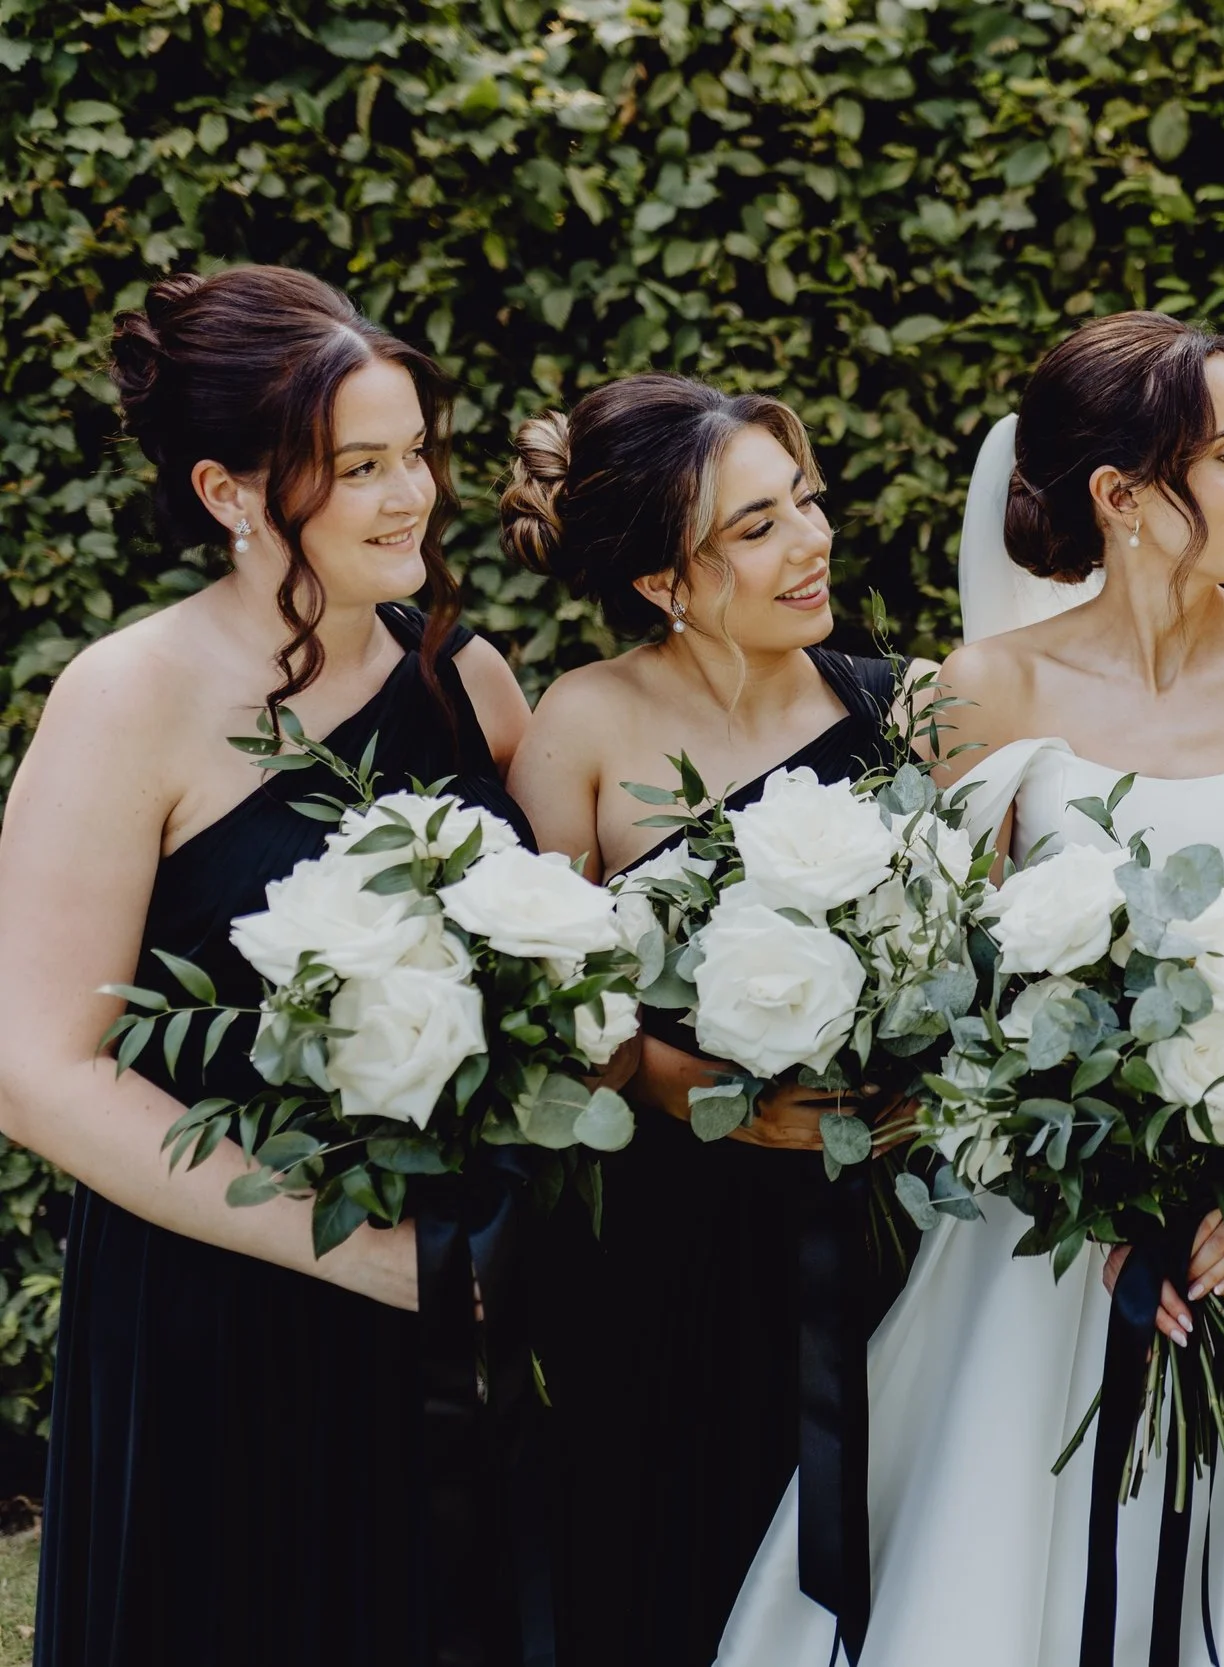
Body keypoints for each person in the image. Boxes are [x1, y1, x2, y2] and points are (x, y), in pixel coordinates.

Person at [717, 311, 1224, 1667]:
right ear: (1122, 494)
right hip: (1045, 1233)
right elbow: (942, 985)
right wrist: (1089, 1181)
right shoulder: (984, 689)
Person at [0, 266, 533, 1666]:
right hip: (220, 1306)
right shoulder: (129, 700)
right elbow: (38, 1070)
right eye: (359, 467)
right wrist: (365, 1254)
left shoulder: (467, 679)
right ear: (228, 490)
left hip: (459, 1292)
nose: (412, 495)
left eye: (416, 452)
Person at [499, 373, 911, 1664]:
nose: (811, 541)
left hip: (889, 1229)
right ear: (664, 581)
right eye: (758, 527)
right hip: (668, 1246)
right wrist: (687, 1088)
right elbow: (546, 1005)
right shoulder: (584, 723)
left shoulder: (903, 710)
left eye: (806, 502)